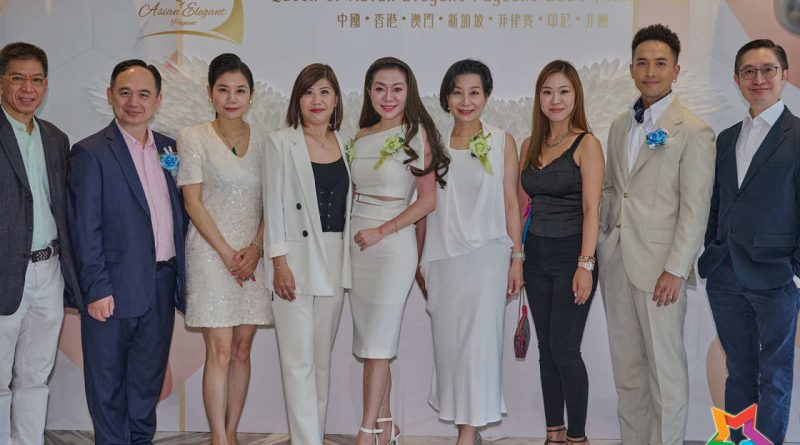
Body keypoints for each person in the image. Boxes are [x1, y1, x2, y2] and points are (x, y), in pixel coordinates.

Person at [597, 24, 715, 445]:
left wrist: (675, 269)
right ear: (631, 69)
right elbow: (612, 191)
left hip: (661, 271)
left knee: (666, 376)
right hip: (617, 263)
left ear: (676, 70)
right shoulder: (618, 126)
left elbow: (695, 209)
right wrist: (602, 243)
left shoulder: (693, 131)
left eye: (660, 63)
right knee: (628, 374)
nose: (650, 71)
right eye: (642, 63)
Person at [68, 59, 187, 445]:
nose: (134, 102)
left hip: (161, 285)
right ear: (110, 96)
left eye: (143, 94)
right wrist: (96, 288)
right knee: (107, 385)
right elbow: (84, 228)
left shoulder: (170, 148)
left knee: (146, 383)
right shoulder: (90, 153)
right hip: (112, 290)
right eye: (125, 92)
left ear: (158, 100)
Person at [698, 39, 800, 445]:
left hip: (777, 276)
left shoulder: (798, 135)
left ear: (784, 75)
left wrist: (795, 272)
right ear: (737, 79)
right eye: (749, 72)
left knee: (775, 374)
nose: (759, 79)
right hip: (725, 273)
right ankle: (742, 442)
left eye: (768, 70)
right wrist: (712, 249)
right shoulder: (725, 138)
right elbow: (718, 203)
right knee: (739, 370)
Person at [418, 59, 522, 445]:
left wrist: (517, 258)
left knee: (480, 347)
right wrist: (419, 262)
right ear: (447, 98)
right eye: (458, 93)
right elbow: (424, 203)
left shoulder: (502, 141)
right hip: (444, 260)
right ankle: (469, 427)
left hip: (488, 259)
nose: (466, 101)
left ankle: (467, 432)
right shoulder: (433, 142)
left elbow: (511, 203)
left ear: (486, 96)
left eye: (474, 92)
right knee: (450, 348)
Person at [350, 56, 449, 445]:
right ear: (369, 92)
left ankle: (365, 431)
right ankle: (386, 424)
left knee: (378, 343)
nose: (388, 96)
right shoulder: (360, 136)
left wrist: (382, 231)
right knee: (372, 342)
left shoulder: (418, 133)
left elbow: (427, 201)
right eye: (380, 88)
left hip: (392, 246)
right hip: (358, 246)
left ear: (409, 92)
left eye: (397, 88)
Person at [177, 53, 271, 444]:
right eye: (223, 90)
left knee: (242, 349)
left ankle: (232, 431)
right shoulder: (193, 137)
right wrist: (226, 253)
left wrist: (256, 248)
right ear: (210, 93)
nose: (232, 98)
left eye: (240, 90)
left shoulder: (266, 140)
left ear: (251, 95)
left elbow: (273, 202)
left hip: (252, 256)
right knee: (219, 350)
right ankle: (218, 436)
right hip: (210, 254)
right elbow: (192, 202)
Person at [263, 62, 351, 445]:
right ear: (297, 99)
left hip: (336, 257)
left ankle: (313, 435)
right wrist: (278, 262)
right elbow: (273, 204)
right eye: (308, 92)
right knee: (297, 361)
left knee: (321, 361)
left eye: (324, 92)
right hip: (294, 259)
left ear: (336, 99)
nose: (317, 100)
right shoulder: (281, 142)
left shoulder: (346, 143)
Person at [518, 60, 604, 445]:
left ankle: (578, 437)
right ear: (539, 98)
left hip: (573, 255)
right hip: (535, 256)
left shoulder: (587, 144)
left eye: (564, 91)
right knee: (546, 350)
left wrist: (585, 264)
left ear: (576, 97)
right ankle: (553, 433)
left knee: (565, 349)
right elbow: (522, 207)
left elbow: (592, 210)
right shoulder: (529, 145)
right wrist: (517, 257)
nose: (556, 99)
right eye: (548, 91)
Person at [0, 41, 81, 445]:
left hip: (49, 273)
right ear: (2, 82)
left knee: (35, 376)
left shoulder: (55, 138)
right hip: (4, 272)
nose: (27, 89)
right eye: (18, 79)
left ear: (46, 85)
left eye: (36, 80)